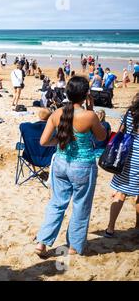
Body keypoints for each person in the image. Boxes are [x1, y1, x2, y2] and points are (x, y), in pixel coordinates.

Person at [35, 76, 107, 256]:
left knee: (57, 204)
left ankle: (42, 242)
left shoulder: (57, 113)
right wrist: (91, 109)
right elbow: (102, 137)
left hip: (60, 163)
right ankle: (74, 246)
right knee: (81, 206)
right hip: (82, 166)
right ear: (86, 95)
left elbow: (43, 142)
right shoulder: (89, 116)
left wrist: (60, 141)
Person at [105, 93, 139, 238]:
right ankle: (138, 227)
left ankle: (110, 228)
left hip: (125, 157)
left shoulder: (129, 114)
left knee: (120, 192)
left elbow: (120, 131)